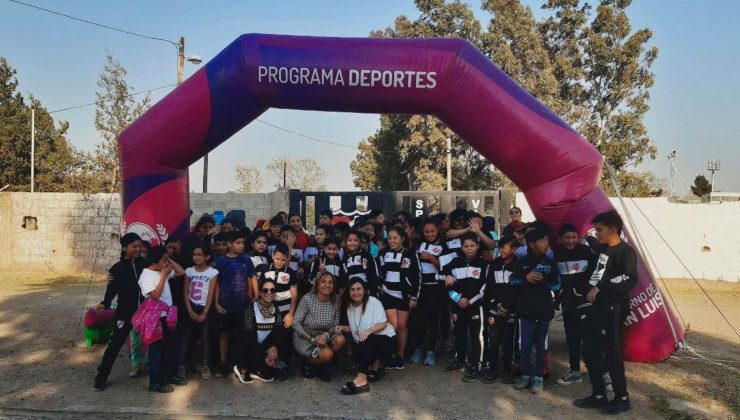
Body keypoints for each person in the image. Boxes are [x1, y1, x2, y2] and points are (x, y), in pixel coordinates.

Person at [574, 210, 638, 415]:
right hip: (597, 307)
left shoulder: (624, 251)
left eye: (600, 229)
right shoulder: (602, 248)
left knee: (611, 352)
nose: (597, 233)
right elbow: (594, 249)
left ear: (613, 229)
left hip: (614, 306)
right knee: (590, 349)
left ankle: (622, 398)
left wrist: (602, 287)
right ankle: (599, 394)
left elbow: (630, 278)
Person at [93, 233, 146, 391]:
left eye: (139, 246)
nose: (137, 249)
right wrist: (105, 303)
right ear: (125, 248)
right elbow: (111, 290)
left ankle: (157, 375)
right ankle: (101, 377)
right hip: (125, 313)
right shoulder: (117, 268)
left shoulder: (146, 263)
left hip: (145, 311)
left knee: (155, 341)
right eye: (133, 246)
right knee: (115, 344)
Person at [511, 229, 560, 393]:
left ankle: (539, 375)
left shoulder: (550, 262)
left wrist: (544, 280)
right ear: (532, 244)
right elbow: (512, 281)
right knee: (524, 345)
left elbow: (557, 285)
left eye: (547, 240)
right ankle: (525, 374)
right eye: (543, 240)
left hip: (544, 310)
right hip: (525, 311)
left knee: (541, 346)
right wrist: (526, 278)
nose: (546, 243)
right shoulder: (521, 261)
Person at [137, 245, 187, 392]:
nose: (167, 264)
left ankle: (169, 375)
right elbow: (156, 295)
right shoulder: (146, 276)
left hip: (168, 317)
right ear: (154, 262)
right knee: (156, 350)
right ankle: (155, 382)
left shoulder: (161, 270)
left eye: (167, 260)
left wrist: (168, 259)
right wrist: (164, 275)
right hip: (155, 319)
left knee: (172, 347)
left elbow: (181, 272)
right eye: (164, 260)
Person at [336, 279, 397, 395]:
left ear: (364, 290)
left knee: (368, 339)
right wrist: (342, 327)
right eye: (352, 290)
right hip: (367, 341)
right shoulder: (350, 307)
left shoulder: (373, 301)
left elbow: (383, 324)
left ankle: (361, 380)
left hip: (387, 340)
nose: (355, 292)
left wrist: (369, 331)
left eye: (358, 289)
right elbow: (357, 327)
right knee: (355, 353)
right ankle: (376, 367)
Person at [442, 232, 487, 382]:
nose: (469, 249)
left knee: (476, 337)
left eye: (472, 246)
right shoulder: (454, 262)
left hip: (475, 306)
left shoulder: (483, 264)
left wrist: (470, 300)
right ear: (461, 247)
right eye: (466, 246)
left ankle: (477, 366)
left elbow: (484, 288)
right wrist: (446, 277)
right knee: (459, 334)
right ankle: (461, 360)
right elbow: (441, 276)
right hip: (457, 306)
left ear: (478, 246)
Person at [555, 224, 597, 386]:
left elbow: (598, 271)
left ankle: (602, 372)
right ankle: (575, 371)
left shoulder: (586, 252)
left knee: (591, 338)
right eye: (567, 237)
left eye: (574, 237)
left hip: (586, 302)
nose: (571, 241)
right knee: (572, 338)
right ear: (560, 239)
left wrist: (591, 289)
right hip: (567, 303)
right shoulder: (556, 254)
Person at [214, 231, 256, 378]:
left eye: (243, 243)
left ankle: (241, 364)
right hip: (224, 305)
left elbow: (252, 278)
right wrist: (216, 303)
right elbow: (216, 283)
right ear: (229, 244)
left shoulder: (246, 259)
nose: (241, 245)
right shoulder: (221, 261)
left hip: (242, 305)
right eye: (238, 243)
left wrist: (255, 297)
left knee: (241, 335)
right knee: (224, 334)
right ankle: (223, 363)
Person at [377, 227, 421, 370]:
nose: (392, 240)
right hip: (387, 294)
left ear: (402, 238)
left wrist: (414, 297)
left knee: (402, 325)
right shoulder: (383, 253)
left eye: (395, 237)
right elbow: (378, 270)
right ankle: (390, 354)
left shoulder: (410, 254)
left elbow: (417, 276)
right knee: (392, 325)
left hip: (404, 296)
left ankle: (400, 356)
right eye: (389, 238)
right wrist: (379, 285)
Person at [234, 279, 291, 383]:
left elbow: (278, 333)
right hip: (250, 347)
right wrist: (266, 354)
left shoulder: (276, 310)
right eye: (265, 290)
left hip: (265, 346)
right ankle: (242, 367)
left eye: (272, 290)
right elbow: (248, 337)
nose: (269, 293)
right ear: (260, 292)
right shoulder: (250, 309)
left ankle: (258, 368)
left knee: (270, 374)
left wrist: (274, 347)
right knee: (268, 366)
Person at [292, 272, 346, 381]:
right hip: (306, 336)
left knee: (340, 340)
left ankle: (323, 365)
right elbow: (295, 323)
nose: (327, 285)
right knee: (327, 354)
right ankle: (306, 363)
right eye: (324, 282)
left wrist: (325, 336)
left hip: (325, 335)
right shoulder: (308, 299)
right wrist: (312, 339)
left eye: (331, 282)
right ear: (317, 284)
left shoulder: (336, 300)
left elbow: (335, 324)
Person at [410, 218, 448, 366]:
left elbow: (445, 268)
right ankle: (418, 350)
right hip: (420, 287)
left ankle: (431, 352)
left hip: (436, 288)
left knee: (433, 321)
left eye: (432, 231)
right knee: (418, 321)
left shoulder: (443, 246)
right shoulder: (419, 244)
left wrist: (432, 258)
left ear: (438, 230)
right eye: (427, 231)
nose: (430, 234)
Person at [483, 235, 519, 384]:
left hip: (511, 311)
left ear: (514, 249)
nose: (501, 251)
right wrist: (496, 304)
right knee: (493, 341)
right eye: (500, 248)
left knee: (509, 342)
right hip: (494, 309)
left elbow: (516, 289)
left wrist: (507, 306)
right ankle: (491, 368)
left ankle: (507, 370)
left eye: (504, 248)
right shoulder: (495, 264)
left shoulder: (519, 265)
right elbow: (490, 286)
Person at [181, 246, 218, 380]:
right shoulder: (189, 271)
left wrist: (205, 312)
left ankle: (205, 365)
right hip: (191, 307)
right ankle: (183, 365)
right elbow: (185, 292)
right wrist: (190, 310)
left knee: (205, 338)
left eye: (200, 255)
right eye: (194, 254)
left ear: (207, 257)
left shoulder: (212, 272)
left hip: (205, 308)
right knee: (187, 337)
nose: (196, 257)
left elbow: (211, 294)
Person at [343, 229, 380, 296]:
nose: (352, 243)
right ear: (345, 242)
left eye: (355, 240)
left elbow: (374, 274)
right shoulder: (345, 258)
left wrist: (373, 292)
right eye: (349, 240)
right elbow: (345, 276)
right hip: (352, 293)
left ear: (360, 242)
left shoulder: (366, 255)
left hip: (366, 291)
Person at [249, 230, 272, 299]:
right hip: (254, 294)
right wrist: (252, 295)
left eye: (265, 243)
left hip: (265, 292)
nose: (262, 245)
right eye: (259, 242)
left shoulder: (265, 257)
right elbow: (249, 279)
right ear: (252, 243)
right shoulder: (249, 258)